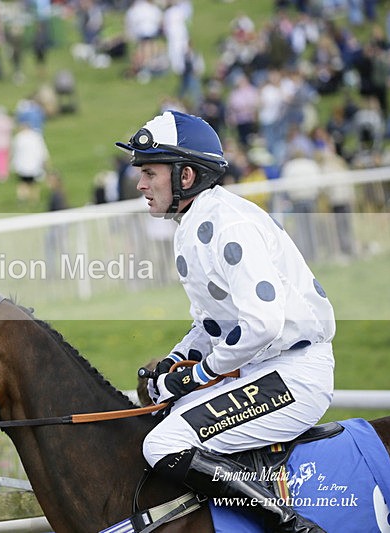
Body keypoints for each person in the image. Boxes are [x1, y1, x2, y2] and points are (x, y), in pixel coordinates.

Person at [115, 110, 335, 533]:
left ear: (185, 176)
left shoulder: (228, 223)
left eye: (149, 172)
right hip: (265, 370)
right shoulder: (195, 223)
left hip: (294, 376)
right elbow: (214, 326)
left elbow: (262, 325)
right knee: (161, 417)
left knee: (164, 443)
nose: (140, 184)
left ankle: (292, 525)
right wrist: (173, 364)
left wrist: (197, 375)